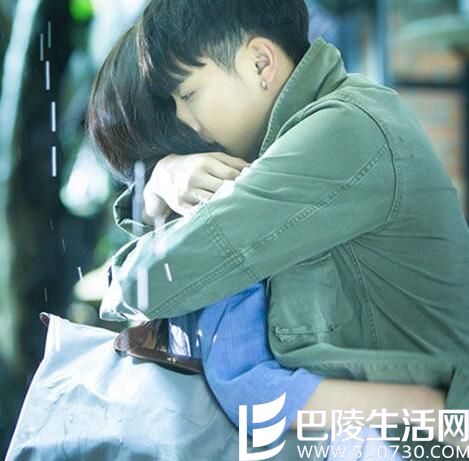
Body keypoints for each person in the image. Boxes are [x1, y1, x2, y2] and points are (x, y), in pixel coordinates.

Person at [86, 4, 468, 454]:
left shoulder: (344, 130)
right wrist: (159, 184)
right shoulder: (309, 134)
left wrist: (154, 193)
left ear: (260, 63)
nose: (188, 121)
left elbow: (149, 285)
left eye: (188, 94)